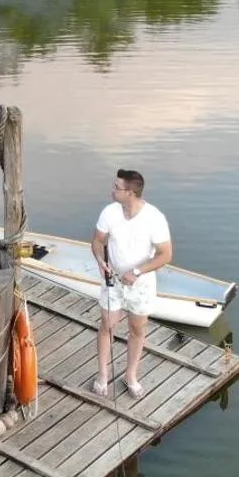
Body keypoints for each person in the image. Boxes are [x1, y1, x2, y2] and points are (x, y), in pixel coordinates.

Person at [91, 169, 172, 398]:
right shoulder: (109, 212)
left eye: (116, 187)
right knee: (107, 324)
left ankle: (131, 376)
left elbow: (166, 255)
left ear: (130, 193)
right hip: (113, 280)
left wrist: (136, 272)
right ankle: (102, 375)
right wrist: (100, 261)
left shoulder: (154, 218)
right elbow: (97, 241)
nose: (112, 190)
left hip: (141, 283)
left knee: (137, 328)